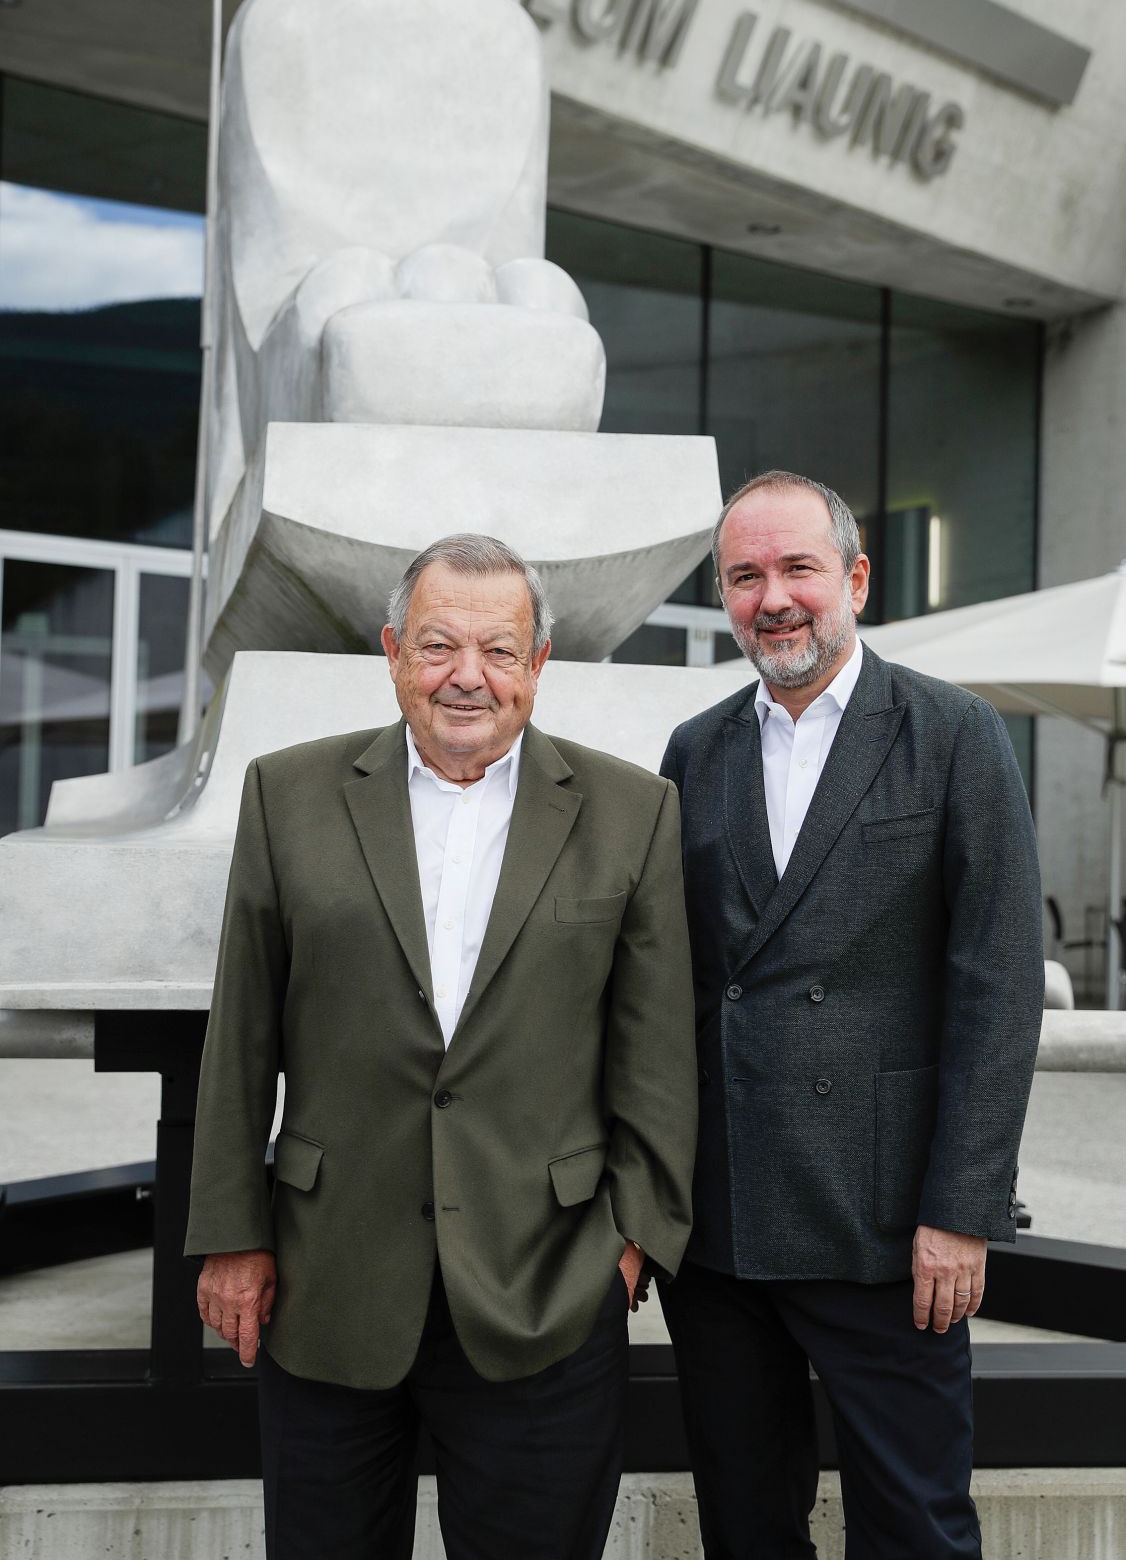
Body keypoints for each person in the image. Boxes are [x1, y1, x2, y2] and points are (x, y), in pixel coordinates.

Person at [185, 533, 697, 1560]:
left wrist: (630, 1240)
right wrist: (231, 1235)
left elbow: (655, 1049)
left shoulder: (632, 812)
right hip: (326, 1284)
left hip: (547, 1289)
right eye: (438, 645)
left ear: (539, 665)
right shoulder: (286, 794)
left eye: (500, 651)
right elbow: (241, 1035)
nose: (468, 675)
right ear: (391, 651)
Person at [659, 471, 1044, 1560]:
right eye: (744, 576)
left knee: (915, 1522)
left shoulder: (954, 733)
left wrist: (962, 1207)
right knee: (744, 1521)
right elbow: (672, 984)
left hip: (889, 1226)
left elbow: (998, 983)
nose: (772, 598)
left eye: (796, 569)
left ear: (856, 579)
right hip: (723, 1220)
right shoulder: (694, 749)